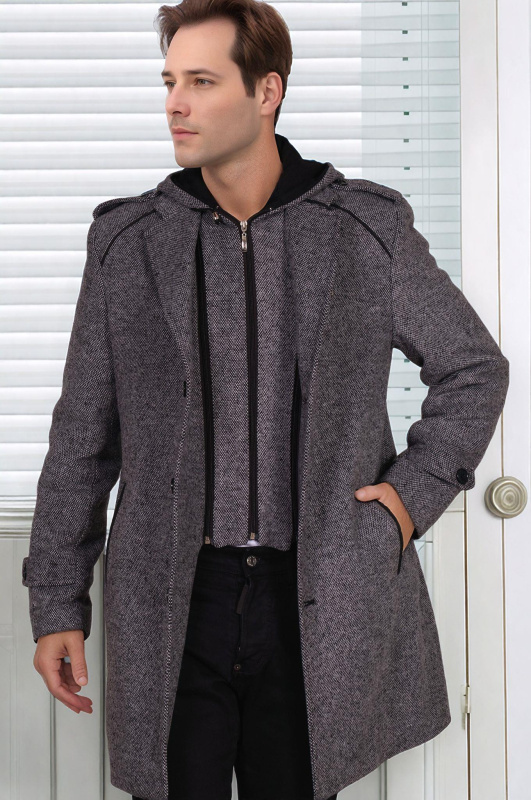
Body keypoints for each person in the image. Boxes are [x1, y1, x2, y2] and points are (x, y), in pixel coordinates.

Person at [22, 1, 510, 799]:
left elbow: (472, 368)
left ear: (266, 91)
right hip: (173, 600)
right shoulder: (128, 243)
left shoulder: (364, 229)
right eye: (170, 82)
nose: (175, 104)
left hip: (317, 591)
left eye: (202, 81)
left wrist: (406, 501)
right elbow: (82, 435)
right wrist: (55, 603)